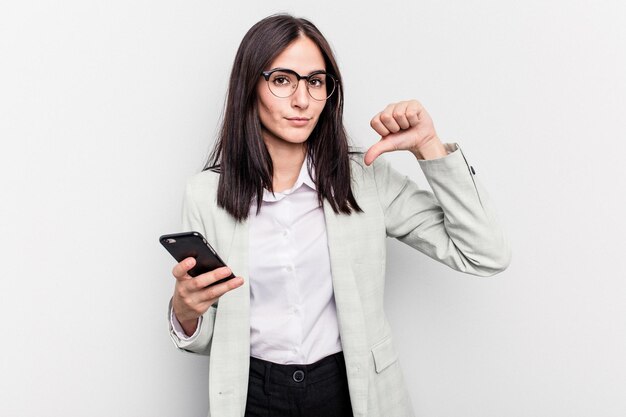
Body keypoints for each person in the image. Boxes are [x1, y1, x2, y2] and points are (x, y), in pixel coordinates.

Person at [167, 13, 510, 417]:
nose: (302, 100)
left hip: (350, 387)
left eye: (315, 81)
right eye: (282, 80)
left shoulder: (364, 181)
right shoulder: (205, 194)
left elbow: (484, 252)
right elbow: (212, 336)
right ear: (249, 88)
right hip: (252, 394)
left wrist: (429, 147)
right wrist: (186, 312)